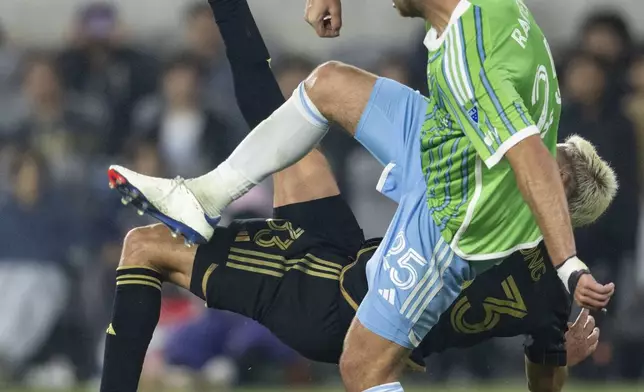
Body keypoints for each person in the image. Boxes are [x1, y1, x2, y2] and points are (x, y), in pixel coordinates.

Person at [99, 2, 616, 392]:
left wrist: (567, 274)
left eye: (558, 165)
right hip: (355, 252)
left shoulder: (506, 227)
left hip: (330, 304)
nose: (550, 155)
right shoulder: (548, 293)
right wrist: (562, 354)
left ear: (558, 199)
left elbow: (526, 159)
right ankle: (205, 193)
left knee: (145, 246)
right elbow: (546, 371)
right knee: (311, 105)